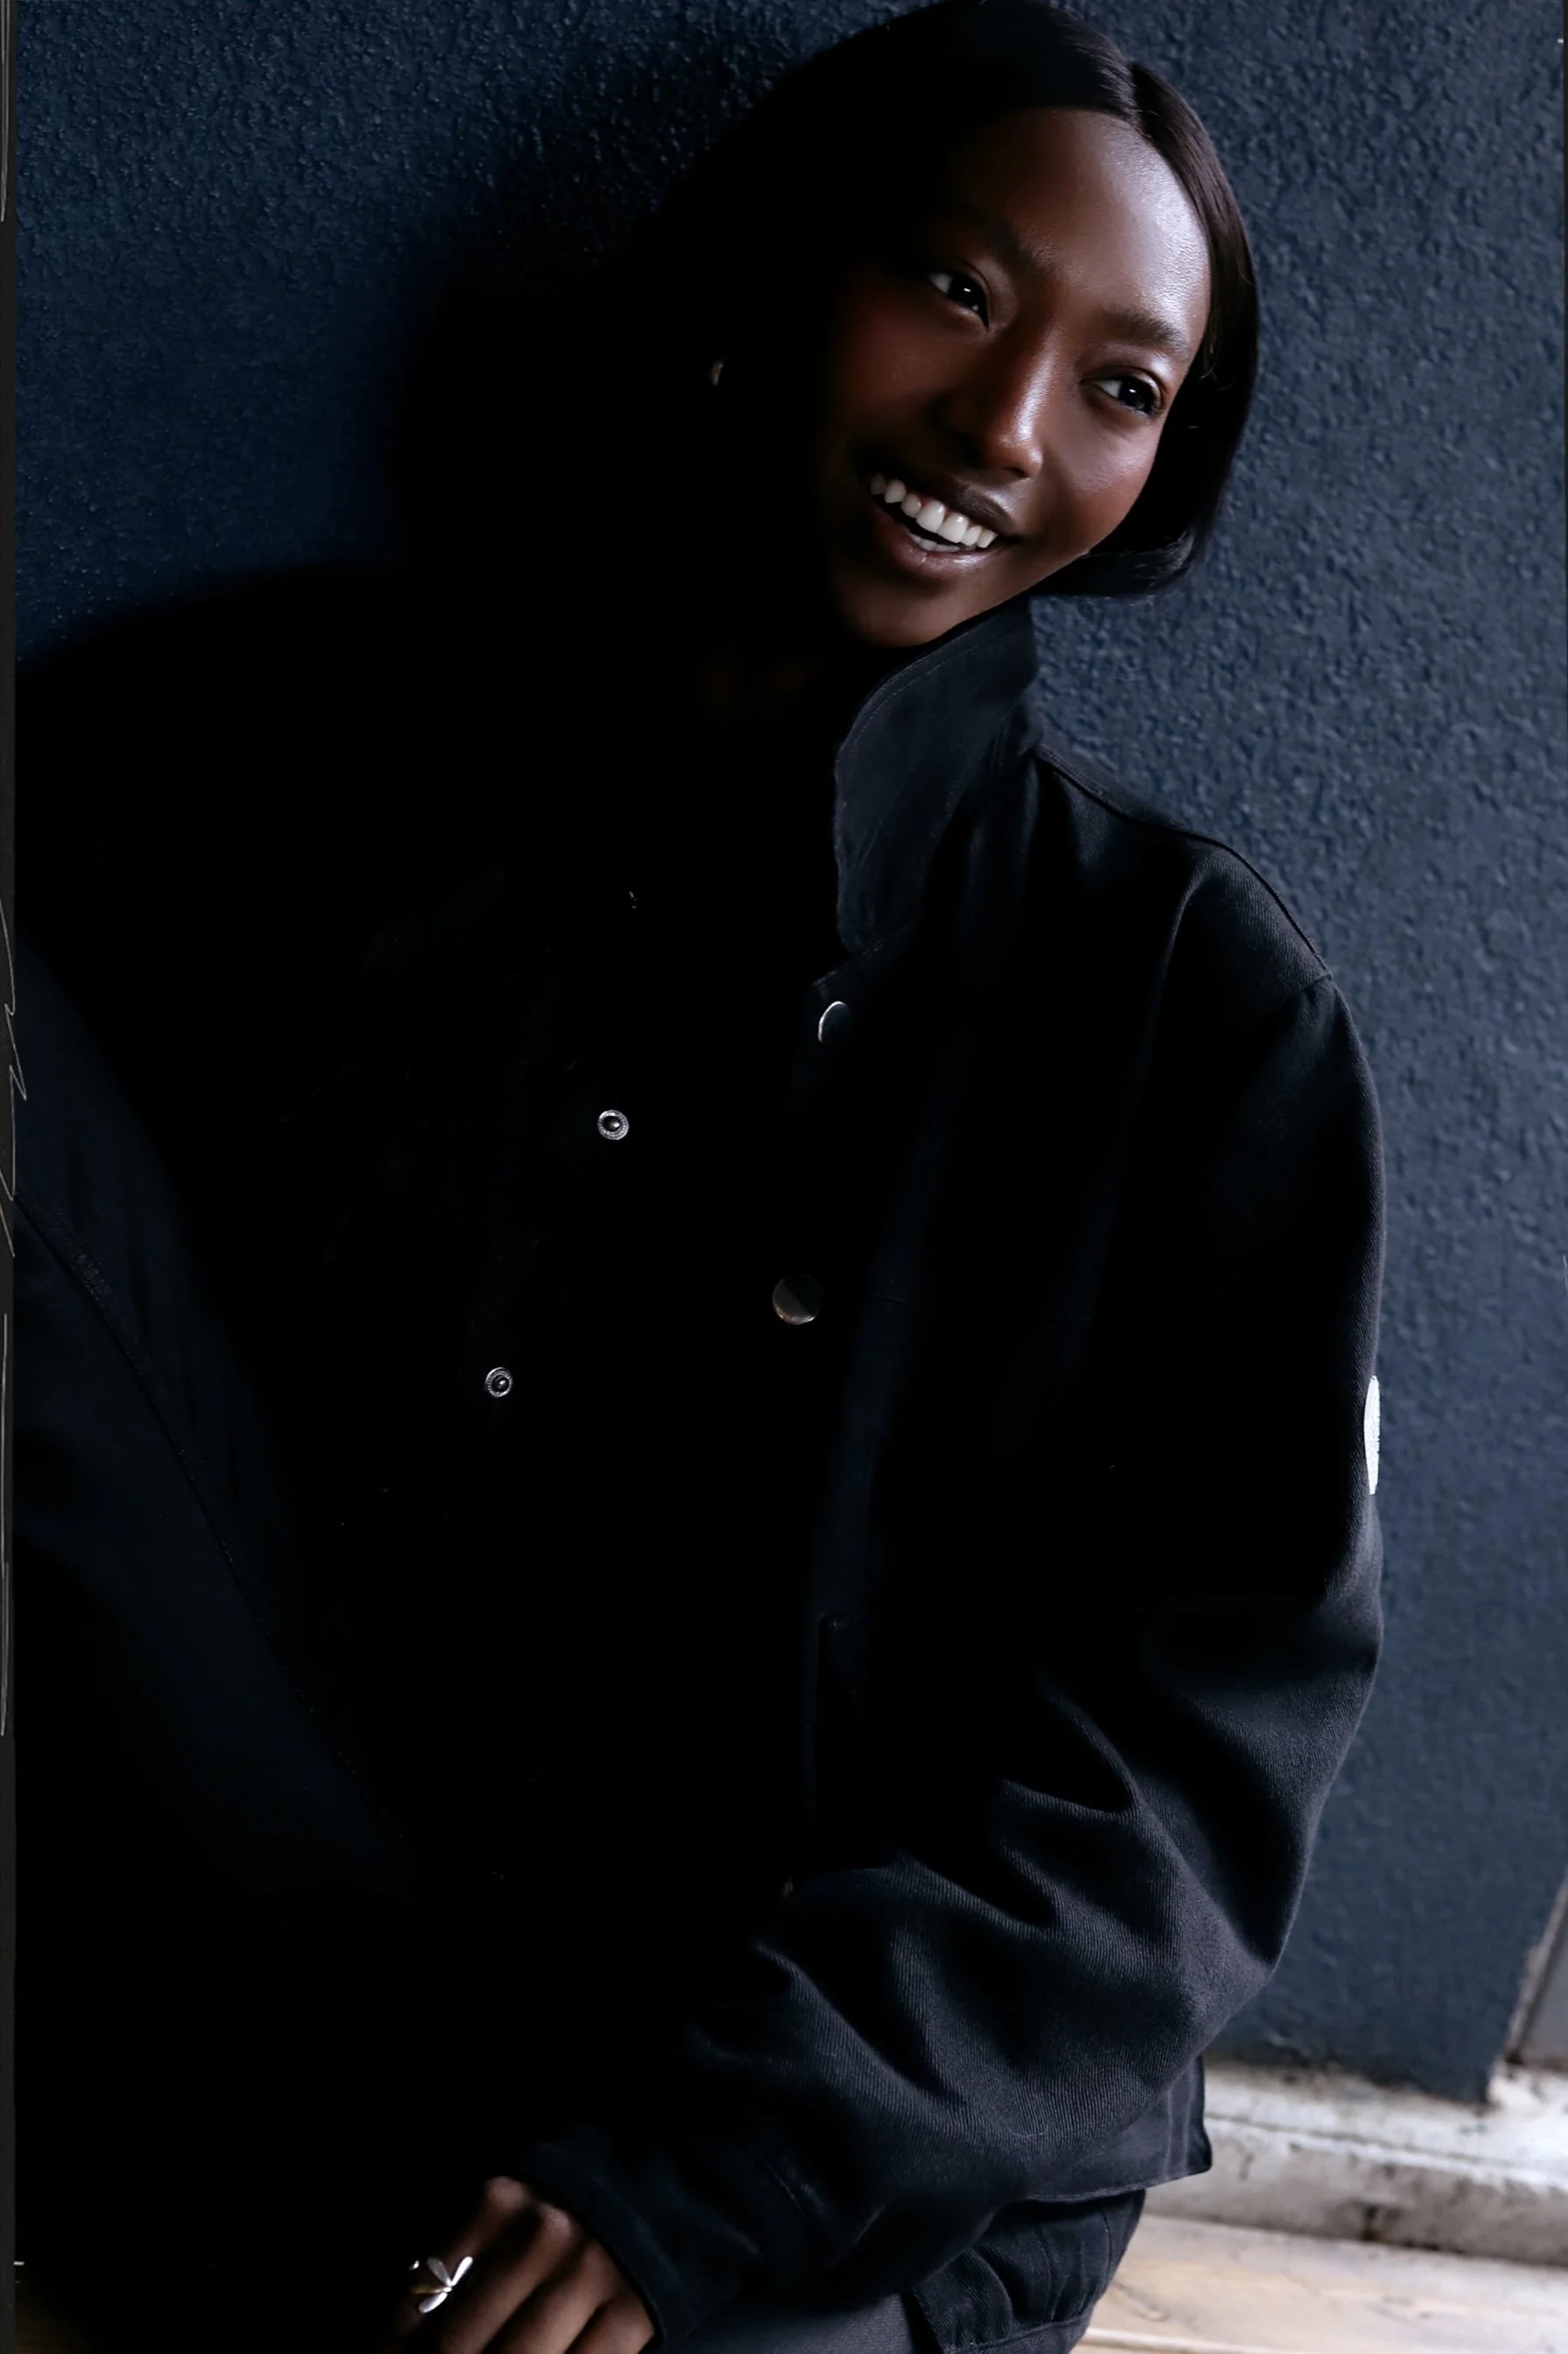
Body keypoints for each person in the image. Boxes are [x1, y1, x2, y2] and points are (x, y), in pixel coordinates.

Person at [15, 5, 1385, 2352]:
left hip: (804, 2114)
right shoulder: (281, 764)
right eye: (953, 287)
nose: (1004, 426)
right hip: (290, 1938)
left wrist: (711, 2173)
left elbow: (1179, 1772)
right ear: (772, 276)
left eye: (1119, 386)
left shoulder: (1190, 1007)